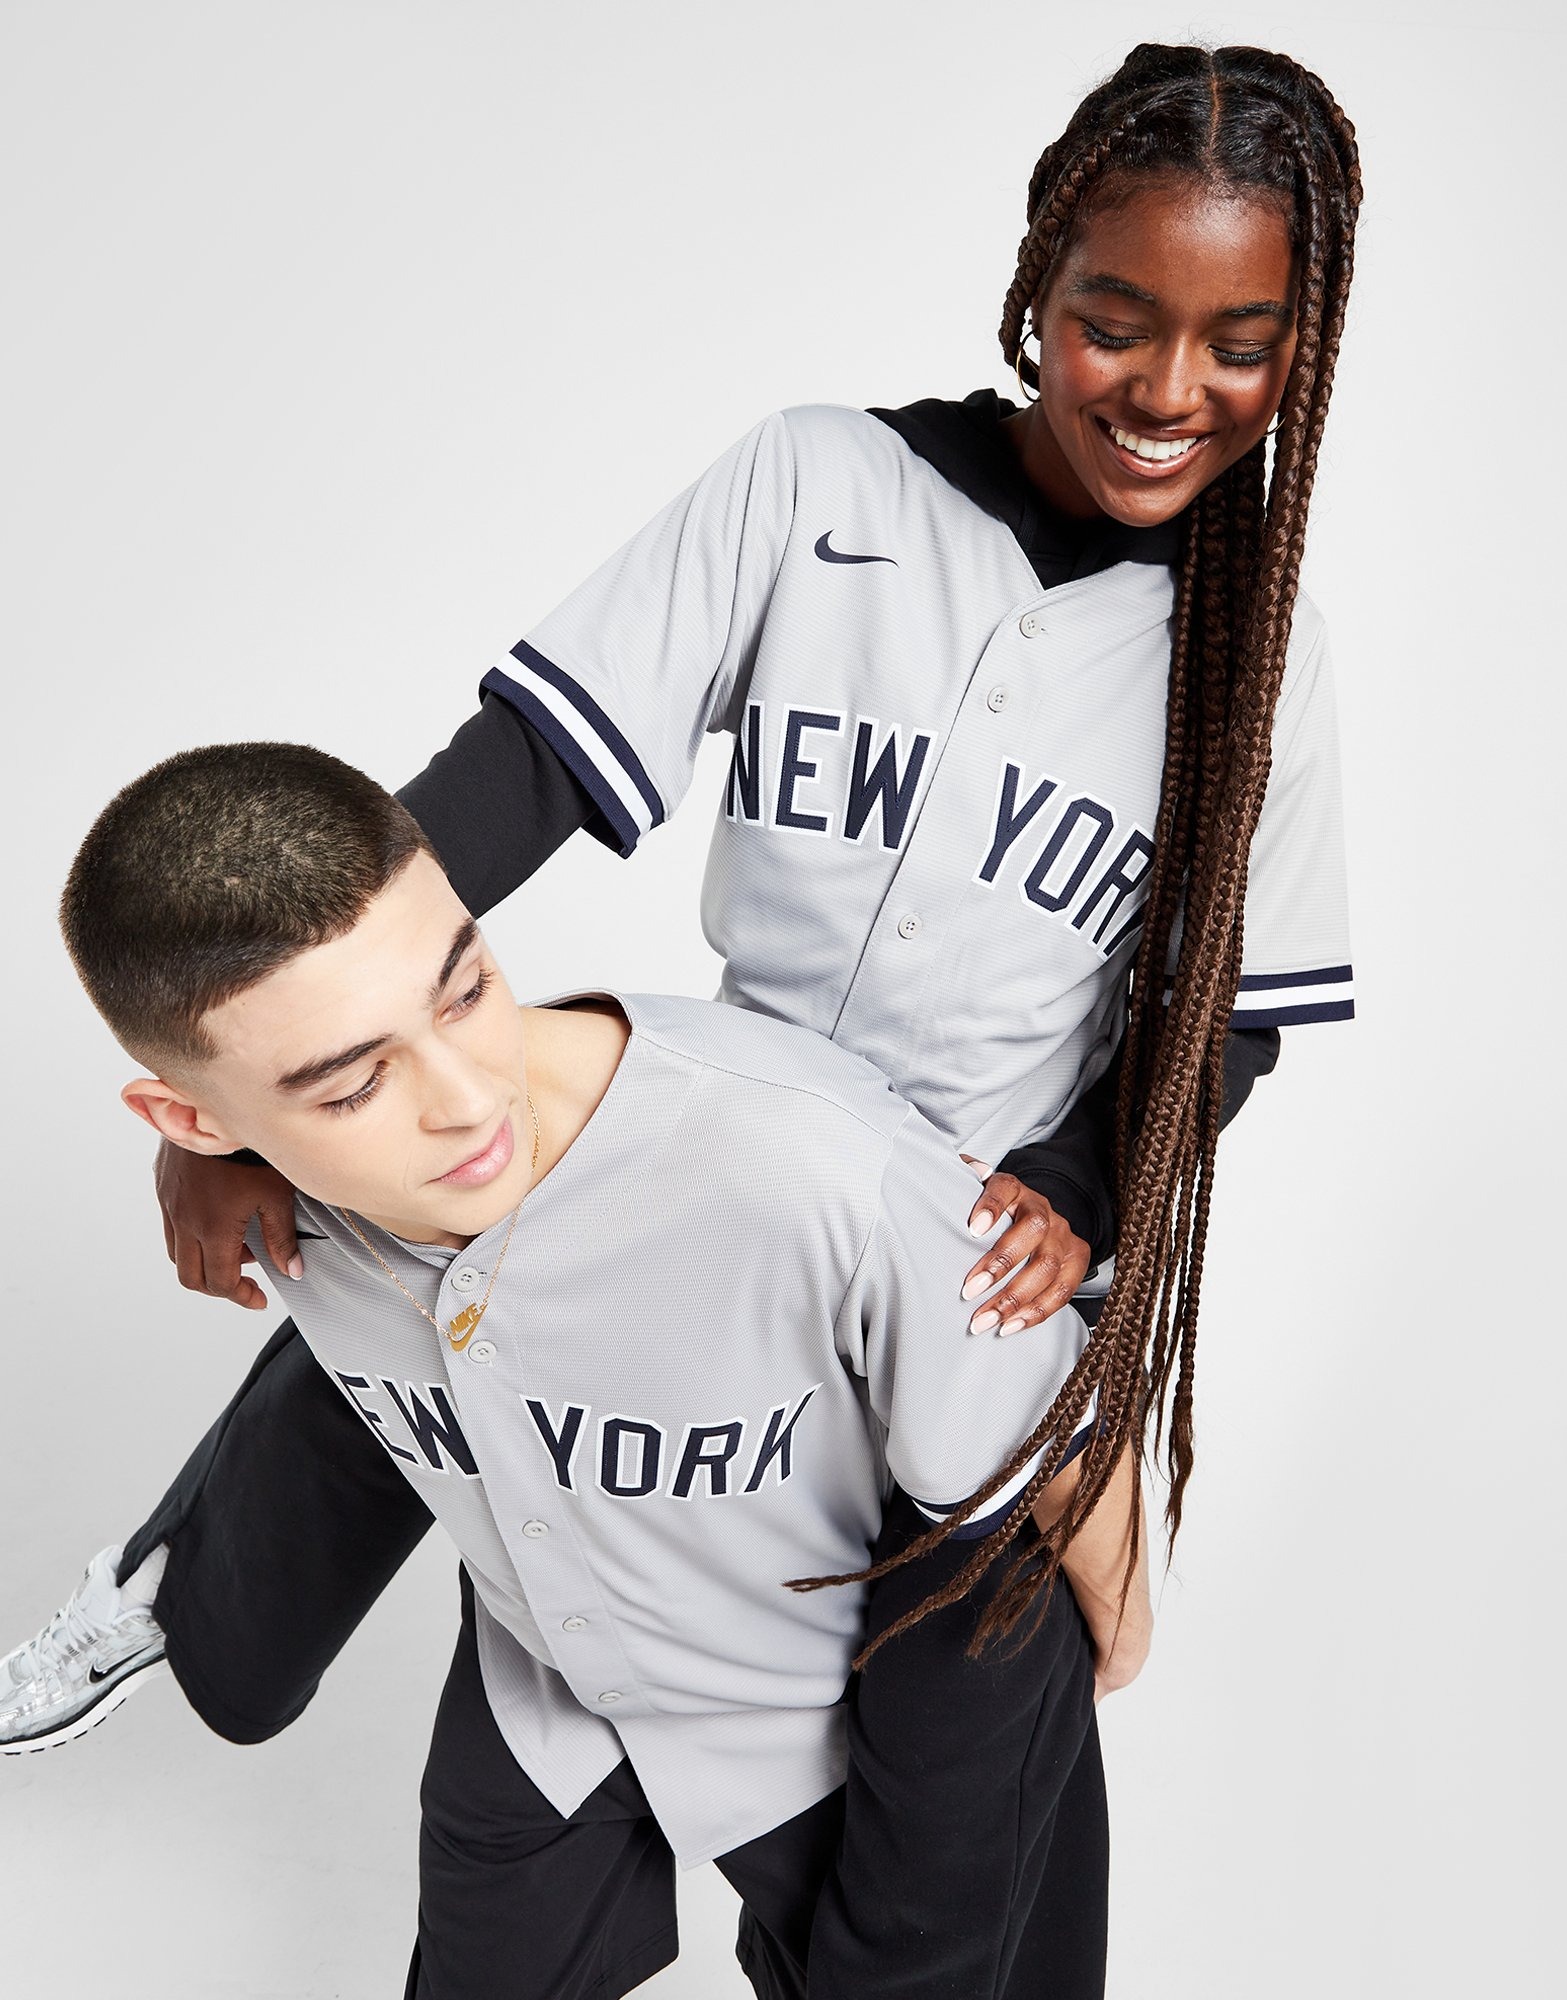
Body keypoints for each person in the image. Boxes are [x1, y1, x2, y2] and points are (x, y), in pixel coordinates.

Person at [2, 39, 1361, 1996]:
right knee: (427, 1226)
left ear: (1301, 344)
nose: (1167, 388)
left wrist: (1077, 1188)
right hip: (720, 1144)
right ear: (1036, 283)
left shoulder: (1253, 648)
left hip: (980, 1233)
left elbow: (1224, 1014)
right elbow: (528, 768)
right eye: (1114, 318)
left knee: (969, 1791)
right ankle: (179, 1585)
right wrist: (250, 1088)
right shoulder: (822, 481)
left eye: (1240, 343)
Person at [56, 738, 1148, 2000]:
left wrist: (1111, 1638)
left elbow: (1056, 1444)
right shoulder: (280, 1214)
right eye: (354, 1085)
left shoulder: (812, 1167)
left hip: (829, 1720)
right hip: (550, 1702)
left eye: (467, 990)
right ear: (198, 1125)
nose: (468, 1100)